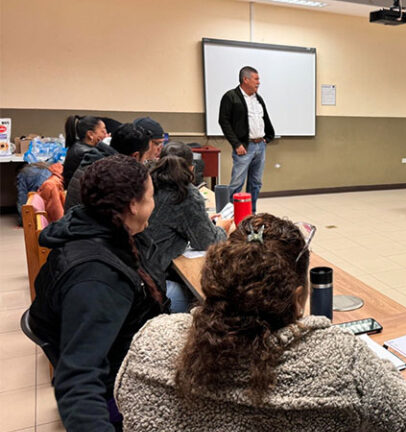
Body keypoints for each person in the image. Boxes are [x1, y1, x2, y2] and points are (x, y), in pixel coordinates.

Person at [93, 213, 406, 432]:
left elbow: (135, 416)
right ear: (299, 298)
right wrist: (379, 371)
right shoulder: (339, 359)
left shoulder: (153, 338)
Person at [28, 155, 167, 432]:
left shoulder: (92, 225)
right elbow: (78, 374)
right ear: (132, 205)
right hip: (119, 381)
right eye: (150, 197)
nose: (154, 203)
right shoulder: (97, 278)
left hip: (126, 341)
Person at [144, 142, 232, 313]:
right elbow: (207, 242)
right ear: (191, 168)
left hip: (140, 264)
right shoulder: (184, 194)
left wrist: (201, 220)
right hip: (155, 276)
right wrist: (221, 228)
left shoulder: (148, 182)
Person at [219, 66, 275, 212]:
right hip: (244, 147)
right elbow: (224, 121)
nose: (259, 82)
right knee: (237, 183)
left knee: (256, 183)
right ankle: (231, 214)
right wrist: (236, 144)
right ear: (245, 79)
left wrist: (268, 137)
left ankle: (251, 212)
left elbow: (265, 119)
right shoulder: (231, 97)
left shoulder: (258, 98)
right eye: (256, 79)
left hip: (260, 146)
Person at [64, 123, 152, 212]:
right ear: (135, 156)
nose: (144, 162)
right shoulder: (109, 175)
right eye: (145, 157)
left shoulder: (96, 159)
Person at [62, 115, 108, 188]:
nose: (106, 134)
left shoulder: (78, 145)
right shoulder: (87, 153)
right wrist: (105, 145)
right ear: (90, 134)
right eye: (103, 131)